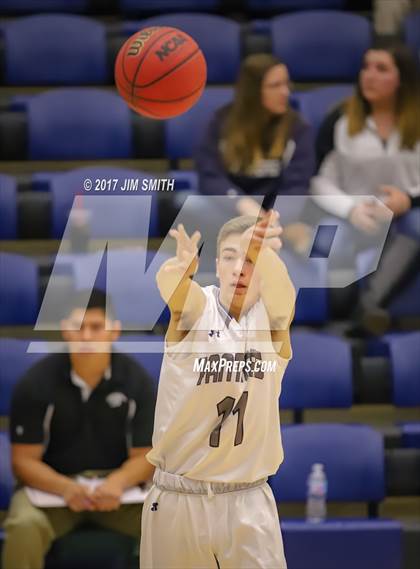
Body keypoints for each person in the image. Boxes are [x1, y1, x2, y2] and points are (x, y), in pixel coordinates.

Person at [140, 211, 295, 568]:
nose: (239, 268)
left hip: (248, 498)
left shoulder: (272, 322)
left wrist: (264, 251)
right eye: (229, 256)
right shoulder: (198, 310)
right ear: (216, 264)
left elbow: (284, 296)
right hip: (179, 498)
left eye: (249, 260)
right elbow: (175, 293)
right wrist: (176, 269)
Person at [2, 288, 156, 569]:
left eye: (96, 327)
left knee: (165, 520)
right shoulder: (35, 382)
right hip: (53, 489)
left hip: (119, 490)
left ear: (114, 331)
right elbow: (23, 461)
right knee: (24, 525)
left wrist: (117, 483)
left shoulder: (138, 382)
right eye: (78, 327)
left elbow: (147, 456)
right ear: (65, 331)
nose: (86, 337)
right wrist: (66, 488)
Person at [310, 44, 420, 333]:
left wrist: (408, 200)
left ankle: (368, 308)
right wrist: (351, 209)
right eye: (366, 67)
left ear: (402, 79)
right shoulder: (340, 120)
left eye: (381, 69)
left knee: (417, 227)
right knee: (330, 241)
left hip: (404, 215)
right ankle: (339, 322)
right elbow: (319, 180)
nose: (369, 76)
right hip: (351, 212)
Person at [195, 53, 316, 254]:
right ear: (253, 91)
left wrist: (270, 221)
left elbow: (296, 185)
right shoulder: (220, 123)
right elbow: (210, 177)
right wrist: (243, 205)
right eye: (275, 86)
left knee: (314, 239)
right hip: (231, 210)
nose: (285, 92)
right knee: (189, 205)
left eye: (287, 84)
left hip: (276, 215)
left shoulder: (298, 128)